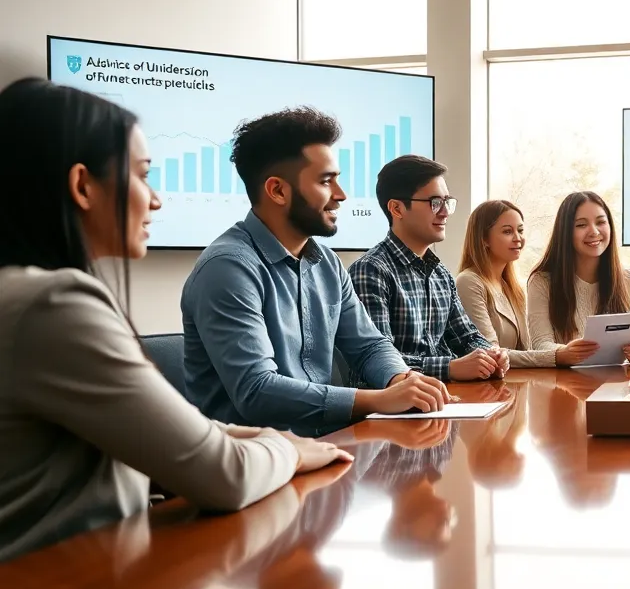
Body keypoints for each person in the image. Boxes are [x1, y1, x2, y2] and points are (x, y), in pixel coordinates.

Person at [0, 78, 351, 562]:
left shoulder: (25, 293)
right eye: (142, 176)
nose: (156, 200)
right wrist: (290, 452)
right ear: (82, 185)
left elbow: (183, 433)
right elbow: (221, 474)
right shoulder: (54, 305)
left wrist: (275, 440)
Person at [181, 108, 451, 437]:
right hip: (254, 465)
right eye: (326, 181)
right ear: (278, 191)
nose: (341, 195)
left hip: (323, 448)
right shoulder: (227, 268)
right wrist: (379, 400)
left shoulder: (327, 262)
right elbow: (257, 391)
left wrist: (401, 380)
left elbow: (369, 346)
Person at [349, 155, 508, 382]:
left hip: (443, 400)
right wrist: (450, 367)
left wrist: (491, 354)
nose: (444, 212)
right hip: (388, 408)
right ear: (397, 208)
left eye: (447, 202)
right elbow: (379, 360)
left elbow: (466, 336)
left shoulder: (440, 273)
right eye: (435, 203)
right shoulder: (371, 271)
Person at [457, 199, 599, 368]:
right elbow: (491, 353)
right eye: (507, 231)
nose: (518, 238)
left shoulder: (511, 287)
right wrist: (557, 356)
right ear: (484, 239)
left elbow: (525, 349)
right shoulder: (469, 282)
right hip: (487, 389)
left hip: (513, 385)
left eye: (521, 230)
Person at [527, 191, 630, 363]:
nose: (594, 231)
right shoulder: (542, 281)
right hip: (563, 383)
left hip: (616, 382)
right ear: (565, 232)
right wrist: (566, 352)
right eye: (581, 225)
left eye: (601, 222)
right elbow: (541, 344)